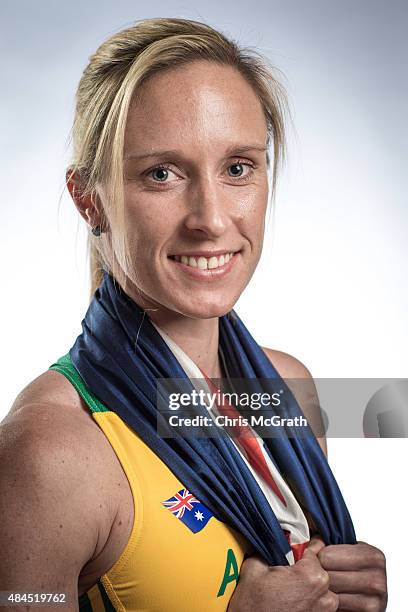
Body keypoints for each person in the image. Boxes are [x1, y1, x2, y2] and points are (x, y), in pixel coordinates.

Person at [0, 17, 387, 612]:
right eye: (163, 174)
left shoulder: (288, 388)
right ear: (89, 200)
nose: (210, 218)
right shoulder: (49, 451)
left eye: (238, 168)